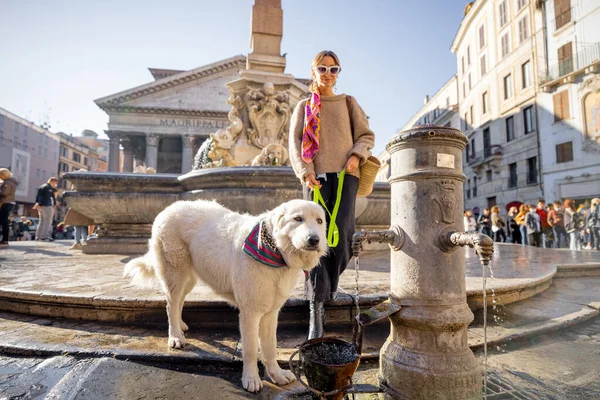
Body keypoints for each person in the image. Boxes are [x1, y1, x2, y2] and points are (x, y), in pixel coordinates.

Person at [289, 50, 375, 339]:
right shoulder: (304, 106)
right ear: (313, 71)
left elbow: (366, 135)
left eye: (333, 69)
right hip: (315, 179)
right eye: (322, 68)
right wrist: (306, 170)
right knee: (314, 240)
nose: (327, 73)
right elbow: (296, 142)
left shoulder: (348, 102)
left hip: (346, 176)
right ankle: (316, 310)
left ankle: (329, 288)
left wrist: (355, 156)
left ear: (339, 73)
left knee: (343, 234)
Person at [34, 177, 59, 241]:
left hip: (41, 206)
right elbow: (48, 197)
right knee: (47, 221)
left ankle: (38, 236)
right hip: (47, 206)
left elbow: (38, 196)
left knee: (41, 221)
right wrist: (54, 203)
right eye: (55, 183)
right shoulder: (48, 188)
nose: (55, 185)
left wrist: (38, 203)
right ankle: (44, 236)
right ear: (52, 181)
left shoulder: (41, 186)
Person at [0, 168, 19, 247]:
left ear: (4, 174)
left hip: (6, 202)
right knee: (4, 221)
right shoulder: (11, 182)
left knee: (4, 222)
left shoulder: (7, 182)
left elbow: (4, 193)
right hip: (9, 202)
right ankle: (4, 240)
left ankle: (4, 240)